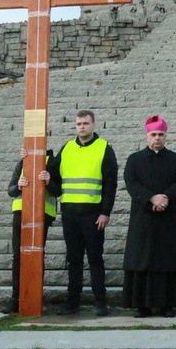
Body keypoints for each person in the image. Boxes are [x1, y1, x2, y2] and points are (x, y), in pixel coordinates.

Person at [50, 110, 118, 316]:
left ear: (94, 125)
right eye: (79, 123)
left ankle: (100, 302)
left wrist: (105, 212)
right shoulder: (67, 148)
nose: (82, 127)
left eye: (86, 123)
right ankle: (73, 302)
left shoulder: (104, 148)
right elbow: (53, 176)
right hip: (70, 214)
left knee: (95, 259)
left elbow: (110, 184)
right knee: (74, 260)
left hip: (93, 214)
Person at [122, 115, 176, 318]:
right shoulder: (134, 160)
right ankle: (142, 305)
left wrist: (167, 198)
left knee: (167, 260)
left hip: (168, 218)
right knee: (142, 259)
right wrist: (151, 198)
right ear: (147, 136)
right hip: (143, 218)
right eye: (153, 134)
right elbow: (131, 182)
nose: (157, 138)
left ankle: (167, 305)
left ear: (166, 136)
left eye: (161, 134)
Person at [1, 147, 60, 314]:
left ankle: (34, 297)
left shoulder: (53, 162)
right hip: (21, 213)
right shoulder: (23, 161)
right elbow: (11, 190)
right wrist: (18, 186)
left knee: (36, 255)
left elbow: (58, 191)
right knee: (18, 256)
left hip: (43, 214)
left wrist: (49, 182)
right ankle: (16, 298)